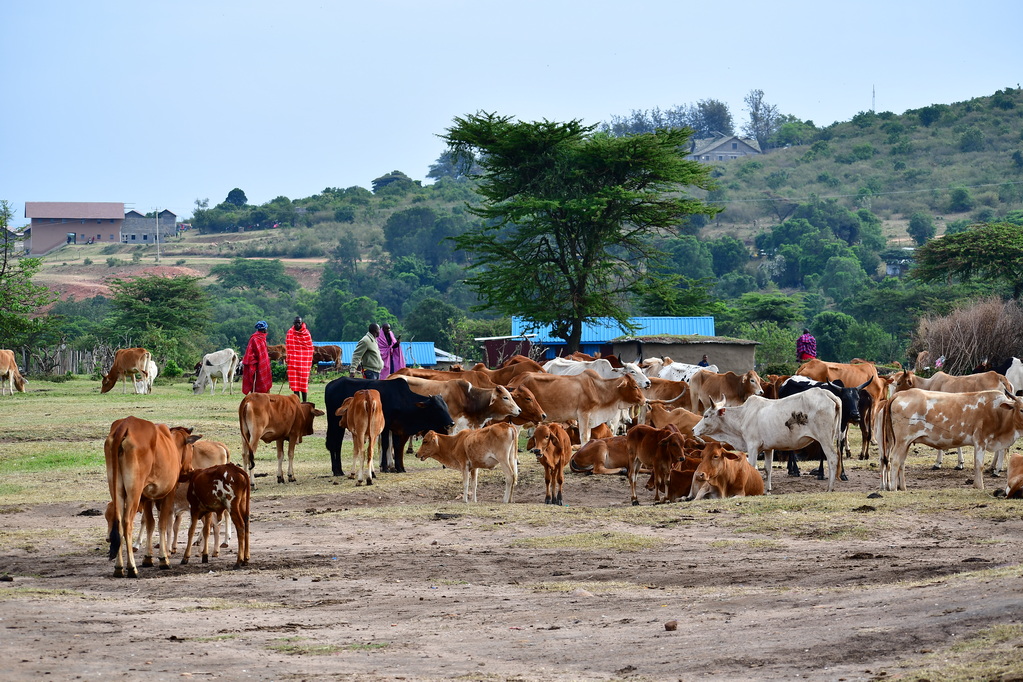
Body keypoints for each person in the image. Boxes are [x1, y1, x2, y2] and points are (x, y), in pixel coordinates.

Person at [285, 316, 314, 402]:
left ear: (302, 323)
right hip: (293, 363)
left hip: (303, 363)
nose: (297, 324)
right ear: (293, 323)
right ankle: (297, 403)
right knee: (295, 384)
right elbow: (289, 347)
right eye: (296, 323)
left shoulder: (306, 333)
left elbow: (309, 349)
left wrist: (305, 359)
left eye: (299, 322)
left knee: (303, 383)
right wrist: (289, 359)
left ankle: (304, 402)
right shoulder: (290, 332)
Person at [242, 320, 272, 394]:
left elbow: (263, 352)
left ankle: (265, 399)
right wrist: (254, 362)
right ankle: (256, 399)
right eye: (266, 328)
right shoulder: (255, 338)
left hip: (264, 365)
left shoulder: (262, 338)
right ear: (264, 329)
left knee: (265, 382)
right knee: (256, 384)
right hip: (256, 365)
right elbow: (250, 353)